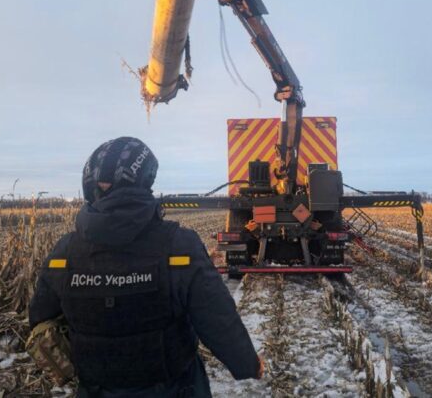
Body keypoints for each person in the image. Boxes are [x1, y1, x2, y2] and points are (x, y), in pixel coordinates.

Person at [29, 137, 262, 397]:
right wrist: (247, 364)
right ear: (145, 181)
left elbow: (40, 318)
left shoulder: (65, 252)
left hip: (96, 389)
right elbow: (216, 316)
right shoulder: (178, 245)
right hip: (173, 388)